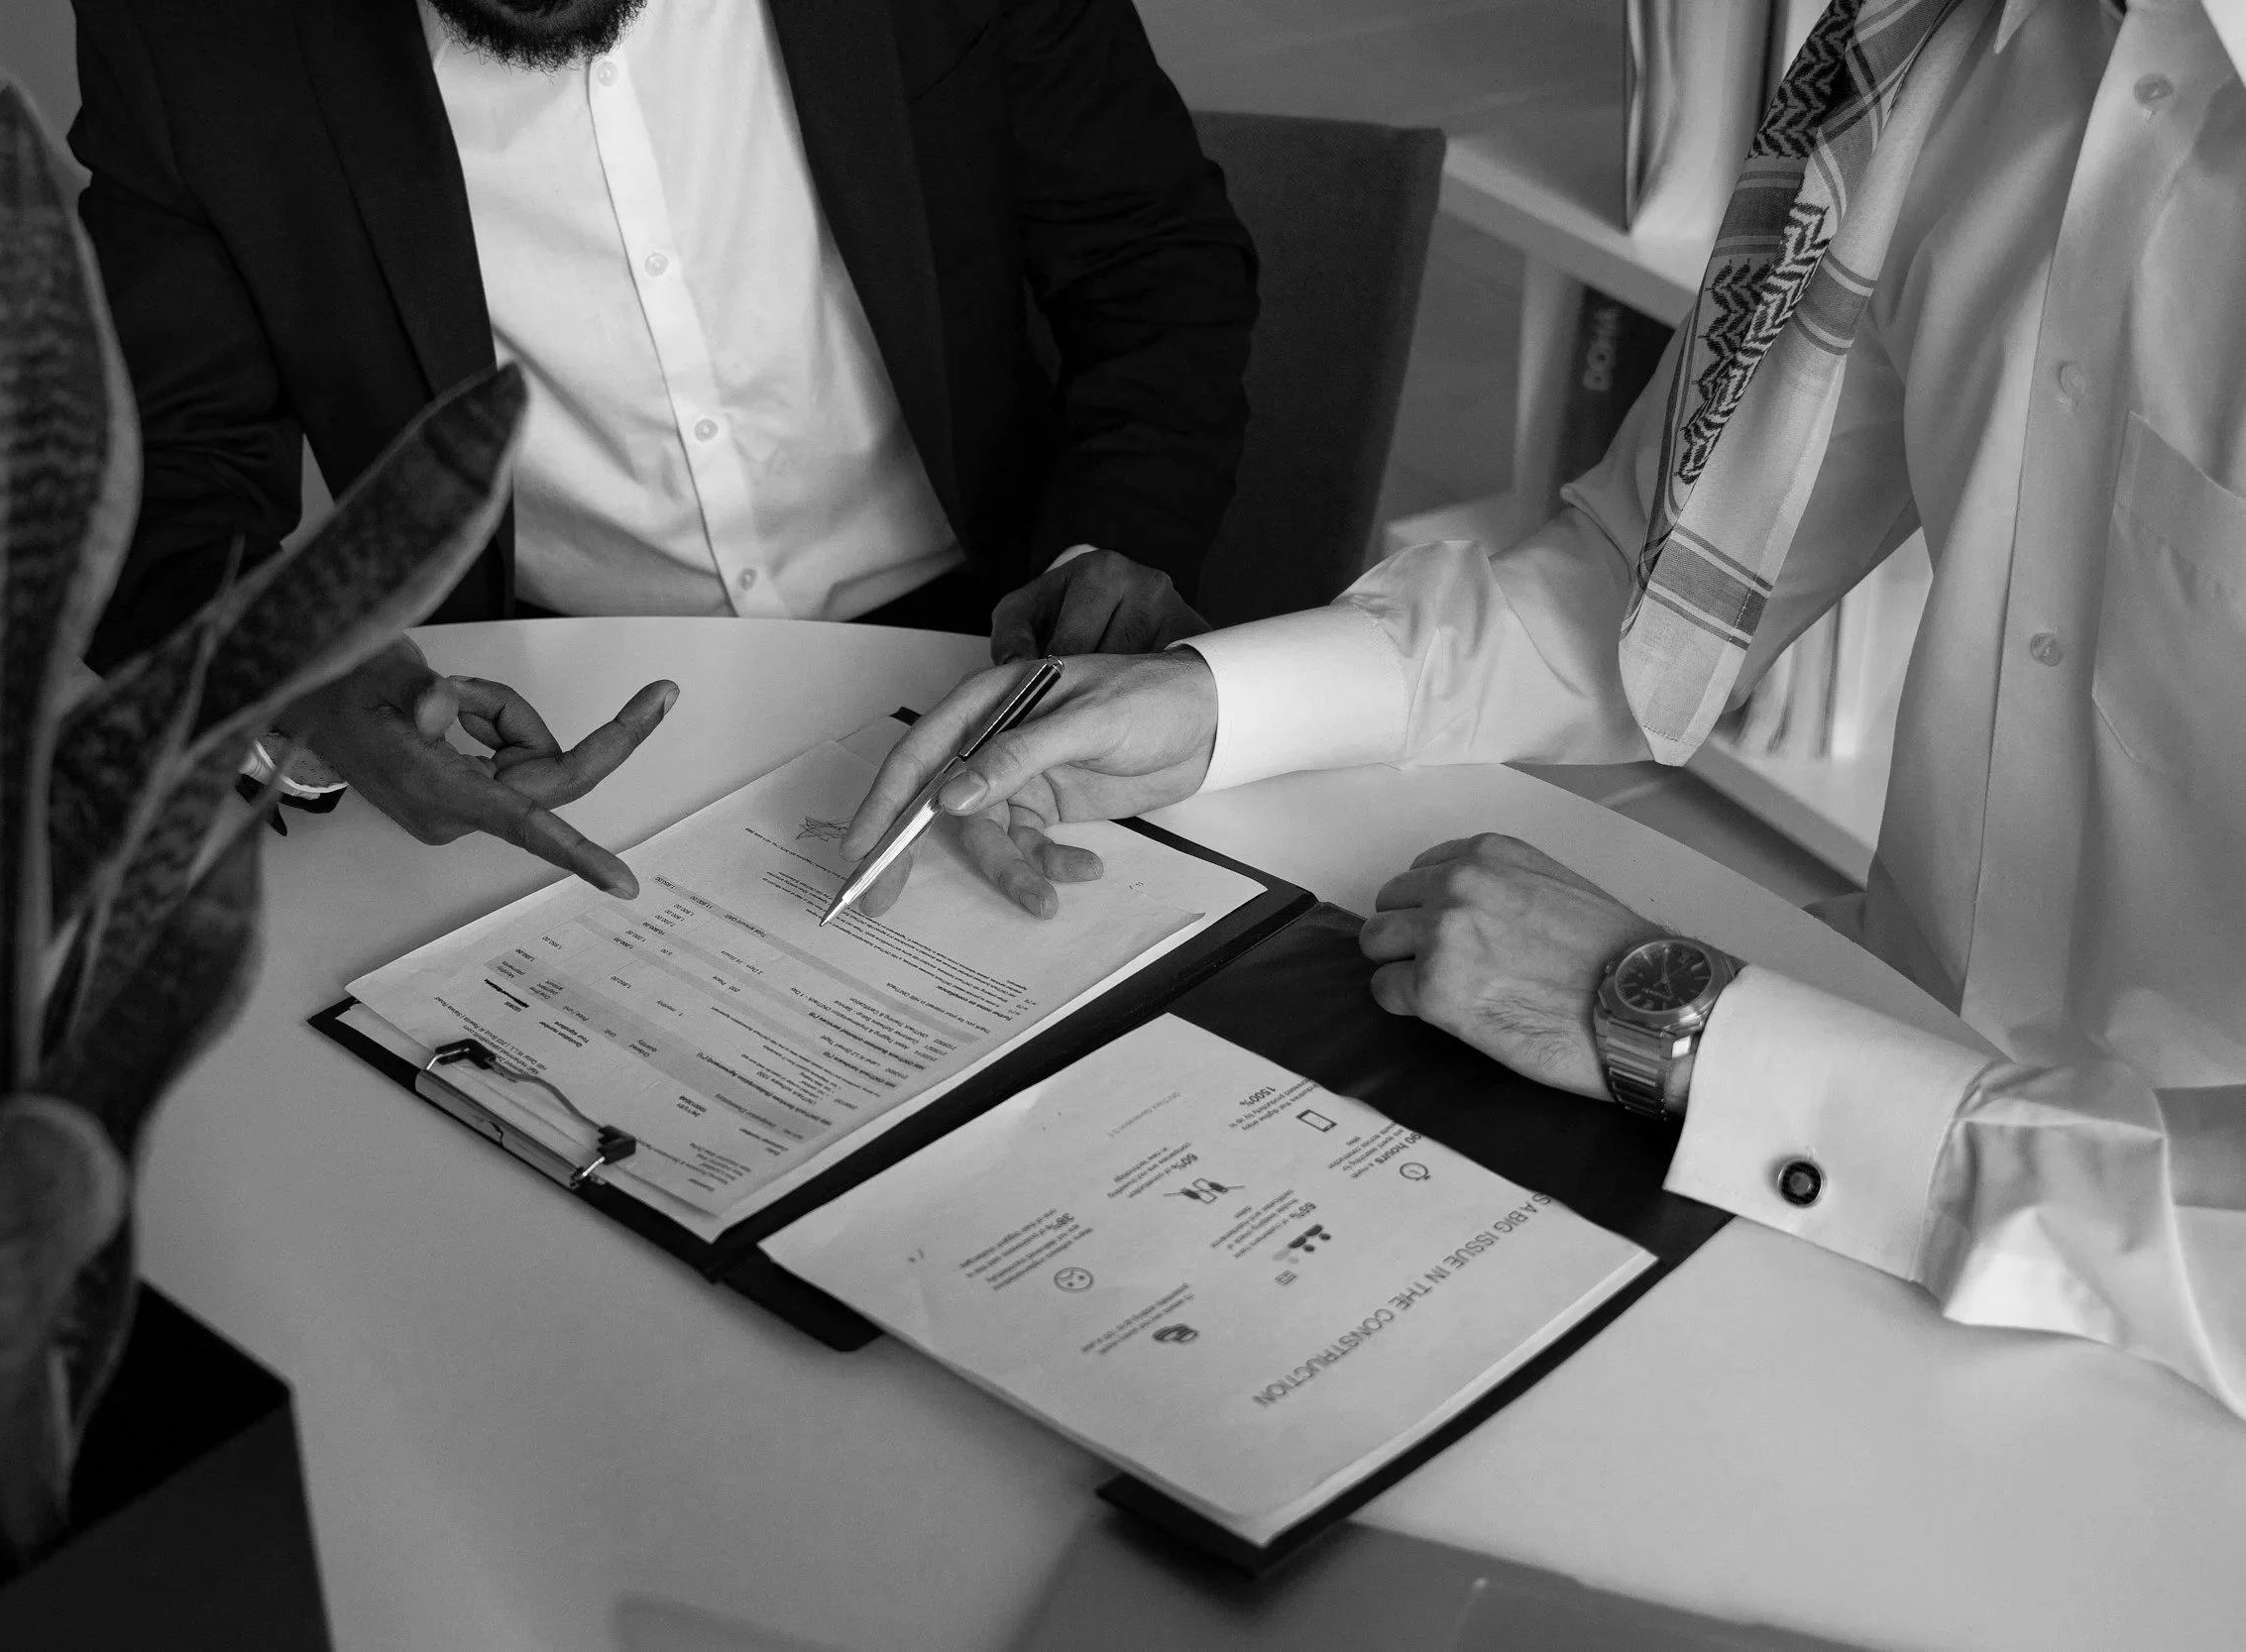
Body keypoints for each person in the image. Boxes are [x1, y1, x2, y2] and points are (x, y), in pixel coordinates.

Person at [846, 0, 2246, 1415]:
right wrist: (1211, 704)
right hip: (1856, 1126)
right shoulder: (1958, 47)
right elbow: (1649, 585)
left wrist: (1688, 1027)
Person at [67, 0, 1255, 891]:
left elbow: (1150, 259)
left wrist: (1112, 542)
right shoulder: (190, 32)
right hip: (556, 706)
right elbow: (167, 472)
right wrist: (311, 668)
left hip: (986, 648)